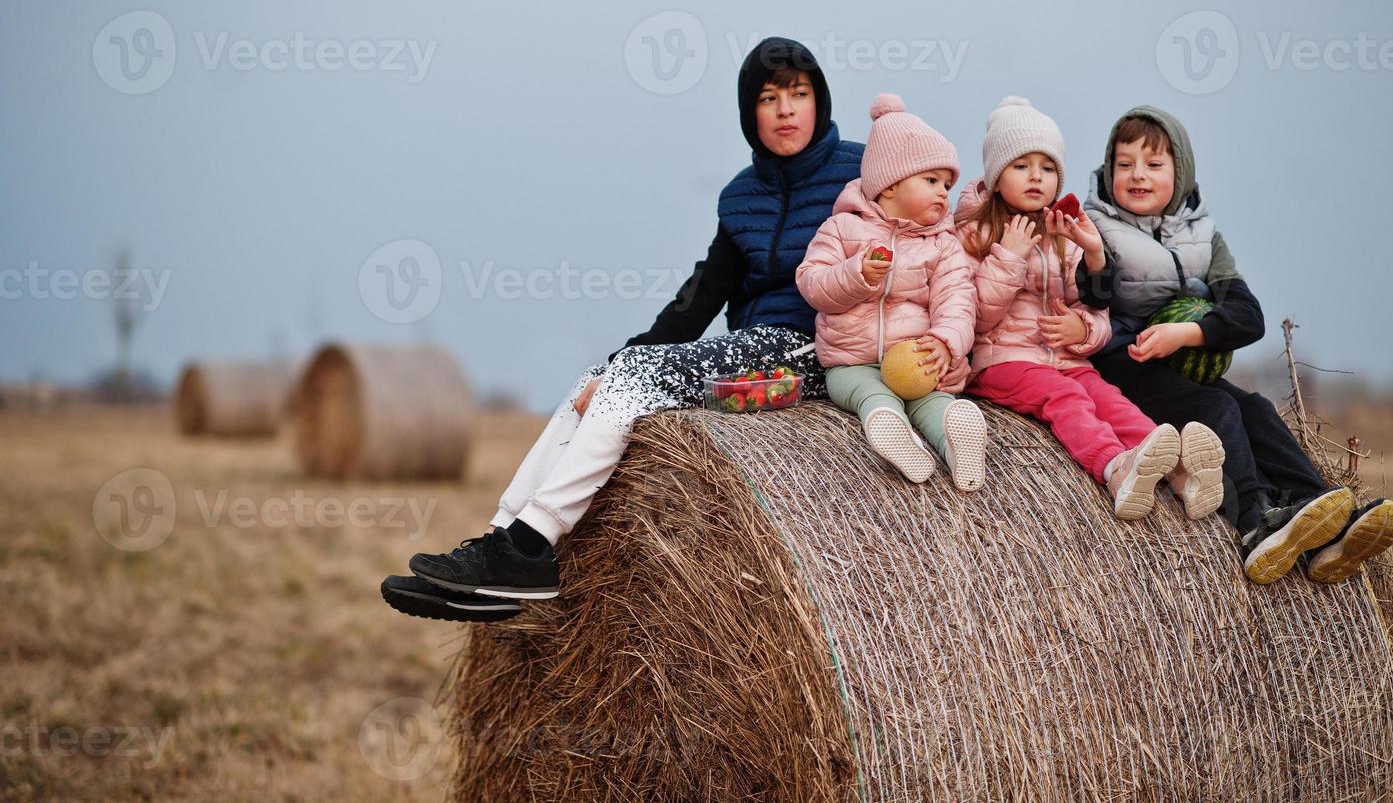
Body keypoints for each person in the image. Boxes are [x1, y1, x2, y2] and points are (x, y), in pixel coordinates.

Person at [380, 37, 865, 623]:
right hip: (746, 357)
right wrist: (617, 363)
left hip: (813, 353)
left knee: (638, 379)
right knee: (604, 375)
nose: (785, 109)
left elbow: (925, 228)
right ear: (748, 115)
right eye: (768, 98)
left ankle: (532, 546)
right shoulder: (741, 197)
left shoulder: (860, 175)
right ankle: (498, 541)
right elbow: (697, 300)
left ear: (820, 101)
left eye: (799, 93)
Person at [1083, 106, 1393, 583]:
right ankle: (1254, 522)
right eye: (1124, 164)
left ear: (1180, 170)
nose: (1137, 175)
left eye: (1153, 164)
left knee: (1255, 407)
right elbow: (1089, 293)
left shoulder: (1204, 238)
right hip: (1122, 365)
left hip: (1180, 361)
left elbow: (1248, 316)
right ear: (1109, 171)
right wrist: (1091, 261)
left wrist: (1188, 333)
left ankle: (1322, 517)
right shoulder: (1096, 227)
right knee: (1217, 408)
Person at [956, 97, 1226, 521]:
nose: (1036, 177)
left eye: (1047, 169)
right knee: (1065, 397)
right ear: (995, 176)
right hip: (1002, 360)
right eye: (1021, 166)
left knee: (1109, 398)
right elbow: (973, 319)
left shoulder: (1063, 234)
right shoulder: (975, 234)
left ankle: (1178, 470)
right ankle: (1116, 468)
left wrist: (1082, 329)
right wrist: (1007, 258)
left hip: (1065, 358)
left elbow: (1096, 311)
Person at [795, 94, 984, 490]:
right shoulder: (842, 229)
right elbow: (812, 282)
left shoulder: (943, 244)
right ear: (890, 184)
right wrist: (856, 273)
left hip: (913, 357)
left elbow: (958, 300)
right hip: (850, 361)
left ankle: (956, 444)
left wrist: (946, 343)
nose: (942, 194)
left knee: (933, 400)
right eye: (931, 181)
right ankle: (891, 429)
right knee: (869, 393)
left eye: (947, 185)